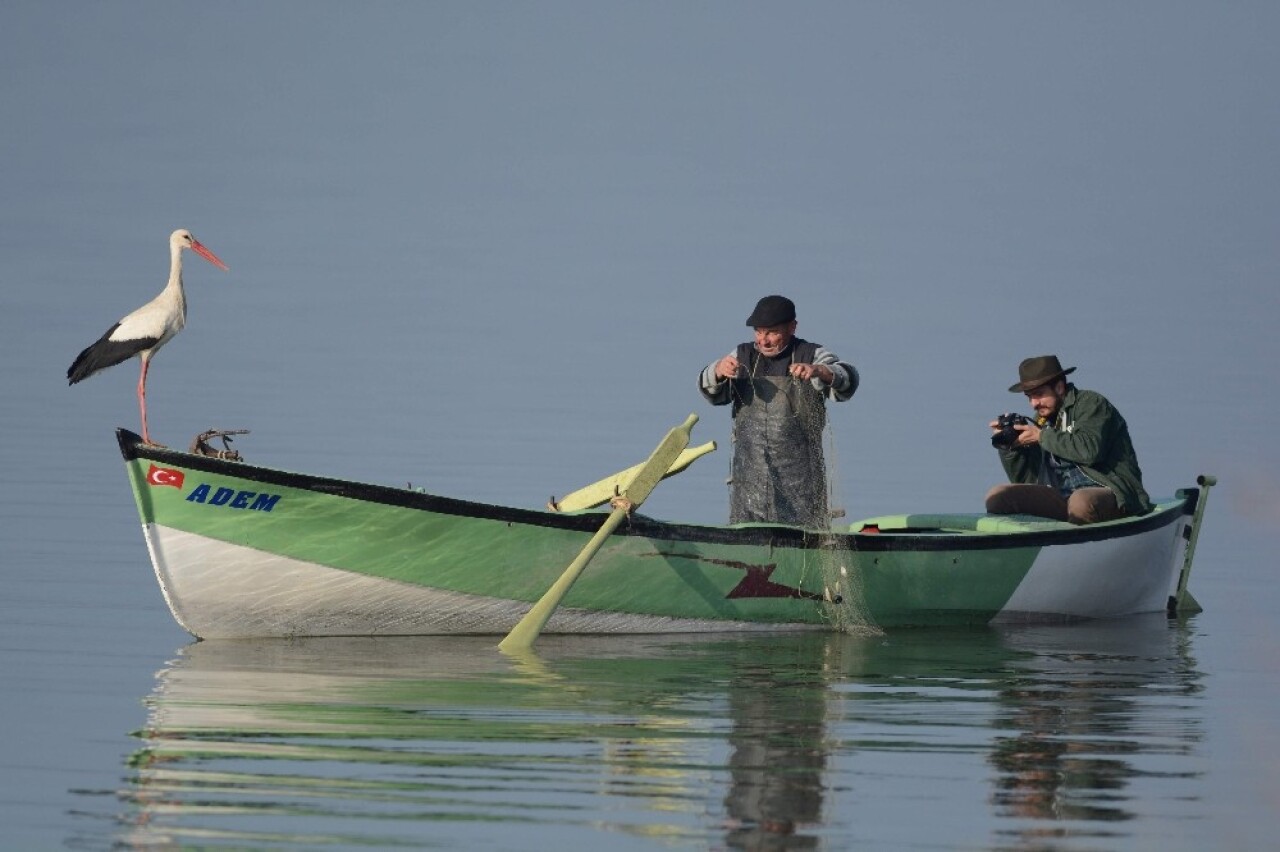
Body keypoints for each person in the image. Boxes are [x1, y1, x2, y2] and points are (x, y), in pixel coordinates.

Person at [698, 295, 858, 527]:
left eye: (772, 332)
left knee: (802, 532)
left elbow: (848, 379)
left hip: (801, 482)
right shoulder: (742, 356)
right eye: (759, 332)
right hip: (749, 482)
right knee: (747, 534)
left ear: (792, 327)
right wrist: (718, 370)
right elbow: (711, 392)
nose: (763, 340)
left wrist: (819, 371)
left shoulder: (810, 354)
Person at [986, 354, 1151, 524]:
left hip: (1112, 492)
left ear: (1059, 387)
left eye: (1039, 394)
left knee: (1080, 502)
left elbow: (1089, 451)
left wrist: (1042, 436)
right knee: (997, 496)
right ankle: (1031, 545)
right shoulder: (1041, 421)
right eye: (1029, 397)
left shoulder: (1091, 404)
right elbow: (1027, 481)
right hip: (1063, 496)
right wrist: (1012, 448)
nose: (1033, 404)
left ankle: (1081, 547)